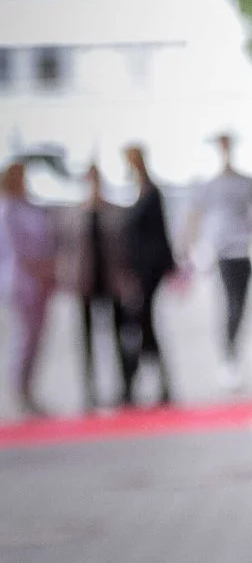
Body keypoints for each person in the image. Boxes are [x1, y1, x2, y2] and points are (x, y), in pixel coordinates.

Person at [183, 133, 252, 391]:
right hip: (224, 253)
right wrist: (188, 248)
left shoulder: (245, 183)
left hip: (243, 250)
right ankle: (228, 355)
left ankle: (233, 351)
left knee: (242, 305)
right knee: (231, 303)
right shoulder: (210, 185)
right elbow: (195, 216)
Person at [114, 143, 176, 408]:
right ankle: (142, 383)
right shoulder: (136, 193)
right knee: (141, 328)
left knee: (142, 326)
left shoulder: (151, 193)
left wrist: (168, 266)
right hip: (136, 270)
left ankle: (141, 383)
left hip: (149, 272)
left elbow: (161, 234)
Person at [1, 161, 60, 417]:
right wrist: (42, 268)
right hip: (23, 281)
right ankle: (19, 392)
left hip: (42, 282)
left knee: (37, 340)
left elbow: (47, 241)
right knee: (24, 340)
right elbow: (20, 250)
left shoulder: (31, 206)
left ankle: (30, 389)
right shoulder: (7, 209)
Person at [66, 164, 124, 415]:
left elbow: (123, 248)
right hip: (85, 283)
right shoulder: (75, 213)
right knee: (86, 338)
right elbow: (66, 250)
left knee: (117, 335)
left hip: (110, 281)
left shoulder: (114, 212)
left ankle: (122, 387)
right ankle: (90, 389)